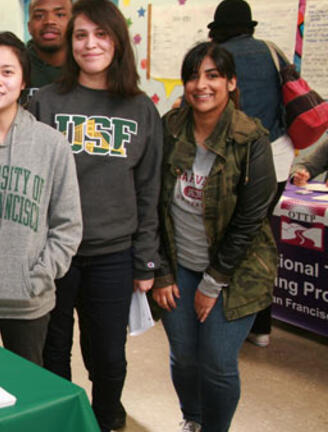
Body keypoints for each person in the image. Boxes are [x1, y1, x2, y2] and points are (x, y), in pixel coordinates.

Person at [29, 0, 162, 429]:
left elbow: (148, 190)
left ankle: (107, 418)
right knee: (51, 349)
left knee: (107, 353)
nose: (90, 44)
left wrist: (146, 260)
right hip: (53, 252)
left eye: (101, 35)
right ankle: (58, 418)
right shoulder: (45, 103)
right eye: (81, 35)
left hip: (112, 253)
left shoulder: (141, 109)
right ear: (71, 43)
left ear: (118, 41)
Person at [154, 42, 276, 432]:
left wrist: (213, 281)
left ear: (231, 82)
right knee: (184, 357)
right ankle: (193, 419)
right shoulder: (168, 129)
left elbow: (250, 220)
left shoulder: (251, 138)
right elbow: (150, 206)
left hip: (235, 272)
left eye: (212, 75)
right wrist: (161, 272)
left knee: (218, 364)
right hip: (178, 265)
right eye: (192, 76)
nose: (200, 85)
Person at [0, 32, 82, 366]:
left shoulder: (51, 144)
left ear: (23, 81)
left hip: (28, 300)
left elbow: (68, 225)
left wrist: (38, 277)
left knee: (25, 393)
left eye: (7, 72)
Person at [208, 0, 291, 348]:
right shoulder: (273, 52)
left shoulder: (217, 58)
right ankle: (262, 327)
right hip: (279, 155)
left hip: (236, 158)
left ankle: (228, 324)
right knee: (260, 238)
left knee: (227, 239)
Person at [26, 0, 73, 91]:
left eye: (60, 15)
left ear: (74, 23)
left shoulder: (87, 65)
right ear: (29, 27)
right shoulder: (16, 66)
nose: (49, 21)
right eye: (39, 16)